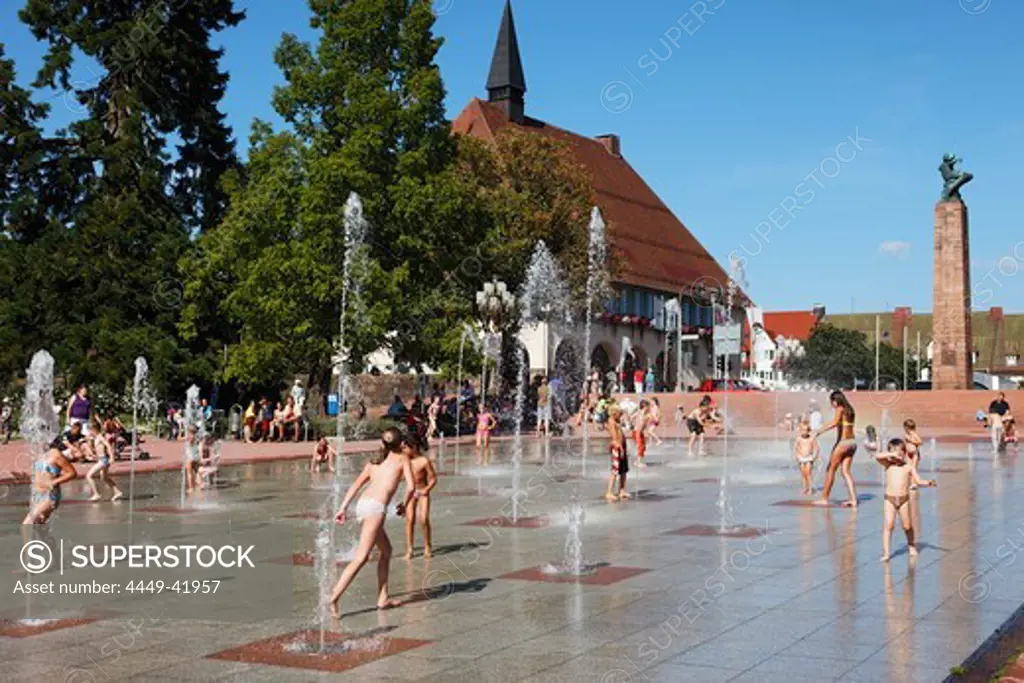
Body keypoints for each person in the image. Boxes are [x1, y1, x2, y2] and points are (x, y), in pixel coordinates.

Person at [329, 428, 415, 619]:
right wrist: (404, 505)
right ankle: (334, 597)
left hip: (363, 505)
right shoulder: (403, 459)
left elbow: (355, 485)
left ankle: (383, 598)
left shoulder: (373, 463)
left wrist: (342, 508)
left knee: (386, 551)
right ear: (401, 443)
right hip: (375, 509)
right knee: (361, 557)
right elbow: (411, 487)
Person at [875, 438, 936, 562]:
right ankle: (886, 553)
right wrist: (891, 454)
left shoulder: (908, 467)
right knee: (888, 525)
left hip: (904, 500)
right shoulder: (888, 464)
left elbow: (918, 480)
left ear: (904, 453)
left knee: (907, 526)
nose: (897, 455)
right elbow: (877, 456)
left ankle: (911, 544)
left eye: (899, 452)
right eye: (894, 452)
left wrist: (928, 482)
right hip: (889, 499)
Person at [814, 390, 859, 507]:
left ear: (835, 401)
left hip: (843, 443)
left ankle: (824, 498)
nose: (831, 405)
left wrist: (819, 431)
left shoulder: (840, 408)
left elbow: (835, 422)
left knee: (830, 470)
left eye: (831, 402)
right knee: (845, 472)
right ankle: (853, 499)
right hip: (852, 443)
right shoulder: (850, 410)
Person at [23, 436, 78, 524]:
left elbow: (72, 473)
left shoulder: (56, 454)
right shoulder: (41, 454)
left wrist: (54, 481)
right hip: (38, 496)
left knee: (27, 525)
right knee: (39, 529)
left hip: (49, 496)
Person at [402, 432, 437, 559]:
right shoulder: (404, 461)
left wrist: (427, 489)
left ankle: (427, 545)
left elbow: (433, 478)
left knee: (423, 519)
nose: (403, 450)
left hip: (422, 493)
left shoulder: (424, 461)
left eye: (405, 448)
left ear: (414, 447)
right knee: (410, 519)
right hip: (410, 493)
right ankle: (409, 549)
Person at [87, 428, 124, 501]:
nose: (89, 432)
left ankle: (96, 494)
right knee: (104, 477)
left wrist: (112, 457)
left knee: (89, 476)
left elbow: (109, 446)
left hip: (103, 460)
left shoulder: (100, 437)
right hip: (101, 459)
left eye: (89, 430)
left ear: (94, 430)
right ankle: (117, 492)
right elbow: (99, 449)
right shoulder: (96, 438)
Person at [605, 403, 630, 501]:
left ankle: (622, 490)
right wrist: (621, 448)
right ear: (614, 413)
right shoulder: (611, 422)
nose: (621, 415)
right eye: (619, 414)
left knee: (623, 470)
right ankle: (609, 492)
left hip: (621, 446)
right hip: (617, 447)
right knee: (615, 470)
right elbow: (615, 437)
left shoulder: (615, 421)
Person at [794, 419, 820, 495]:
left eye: (806, 430)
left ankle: (810, 489)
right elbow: (795, 448)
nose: (804, 432)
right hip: (801, 458)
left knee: (808, 473)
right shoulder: (799, 439)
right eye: (802, 430)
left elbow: (816, 448)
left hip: (809, 458)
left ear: (809, 431)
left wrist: (814, 457)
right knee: (803, 474)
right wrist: (797, 455)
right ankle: (805, 488)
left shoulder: (811, 439)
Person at [634, 400, 650, 468]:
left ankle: (637, 461)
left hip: (639, 432)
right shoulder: (642, 413)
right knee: (641, 447)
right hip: (638, 432)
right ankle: (638, 462)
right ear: (645, 406)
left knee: (643, 447)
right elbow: (641, 421)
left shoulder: (641, 413)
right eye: (648, 406)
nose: (649, 408)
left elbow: (632, 417)